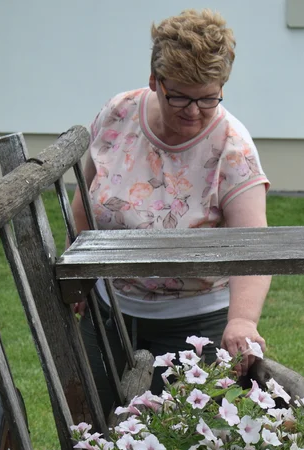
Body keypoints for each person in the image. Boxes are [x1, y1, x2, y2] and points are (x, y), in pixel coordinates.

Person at [70, 9, 271, 417]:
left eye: (208, 98)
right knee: (91, 431)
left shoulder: (233, 149)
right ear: (154, 82)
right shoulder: (118, 113)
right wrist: (81, 274)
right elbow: (85, 199)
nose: (193, 111)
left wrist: (243, 322)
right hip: (109, 315)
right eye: (179, 95)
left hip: (193, 325)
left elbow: (254, 247)